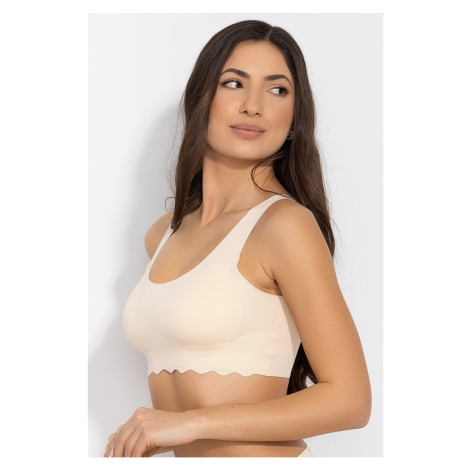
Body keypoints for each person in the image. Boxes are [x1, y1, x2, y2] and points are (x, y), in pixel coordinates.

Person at [104, 19, 371, 458]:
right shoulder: (162, 234)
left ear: (295, 117)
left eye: (277, 89)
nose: (253, 106)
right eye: (234, 83)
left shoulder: (284, 225)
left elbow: (350, 401)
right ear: (201, 98)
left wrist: (188, 424)